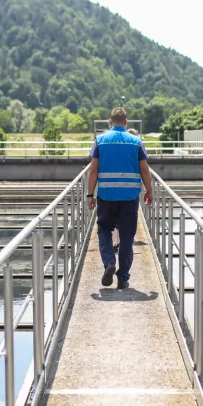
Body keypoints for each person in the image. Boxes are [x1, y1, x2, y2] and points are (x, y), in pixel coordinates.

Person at [88, 109, 153, 289]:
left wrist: (90, 194)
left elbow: (93, 170)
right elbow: (145, 169)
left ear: (110, 122)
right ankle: (123, 278)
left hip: (106, 195)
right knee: (126, 237)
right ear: (126, 123)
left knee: (104, 230)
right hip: (129, 196)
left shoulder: (100, 140)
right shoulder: (136, 141)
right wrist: (149, 191)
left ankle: (109, 262)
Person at [113, 129, 140, 251]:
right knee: (128, 218)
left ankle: (115, 241)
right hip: (131, 190)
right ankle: (123, 242)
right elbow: (143, 167)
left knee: (115, 217)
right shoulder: (136, 145)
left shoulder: (117, 147)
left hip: (113, 188)